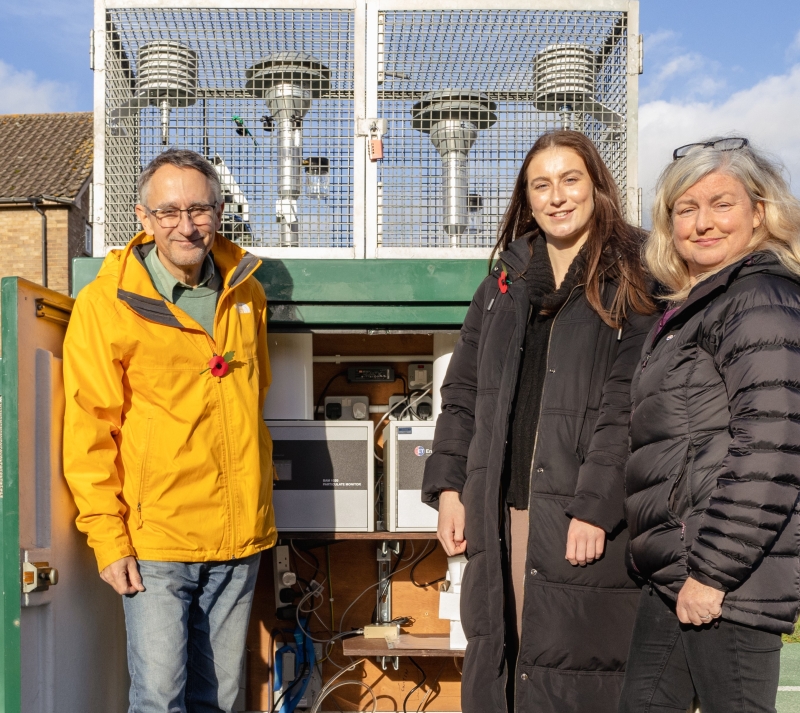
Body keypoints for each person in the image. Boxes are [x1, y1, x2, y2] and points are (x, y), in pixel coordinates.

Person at [421, 130, 657, 713]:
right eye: (540, 185)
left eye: (570, 180)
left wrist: (595, 507)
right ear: (525, 200)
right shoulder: (501, 285)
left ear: (597, 186)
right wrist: (451, 488)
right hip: (499, 509)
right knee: (502, 657)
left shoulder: (634, 277)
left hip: (579, 513)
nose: (556, 197)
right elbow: (463, 392)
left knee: (576, 666)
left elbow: (631, 402)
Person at [63, 149, 275, 713]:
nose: (187, 225)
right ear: (143, 216)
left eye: (200, 209)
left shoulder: (246, 293)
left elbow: (254, 401)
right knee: (159, 698)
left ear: (219, 211)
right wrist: (108, 539)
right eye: (169, 211)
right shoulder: (106, 304)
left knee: (224, 700)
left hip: (236, 540)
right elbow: (89, 429)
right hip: (156, 543)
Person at [618, 138, 800, 713]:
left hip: (726, 581)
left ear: (760, 211)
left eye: (721, 203)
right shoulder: (701, 304)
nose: (702, 223)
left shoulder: (759, 299)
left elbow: (771, 448)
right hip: (680, 571)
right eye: (685, 209)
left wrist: (714, 573)